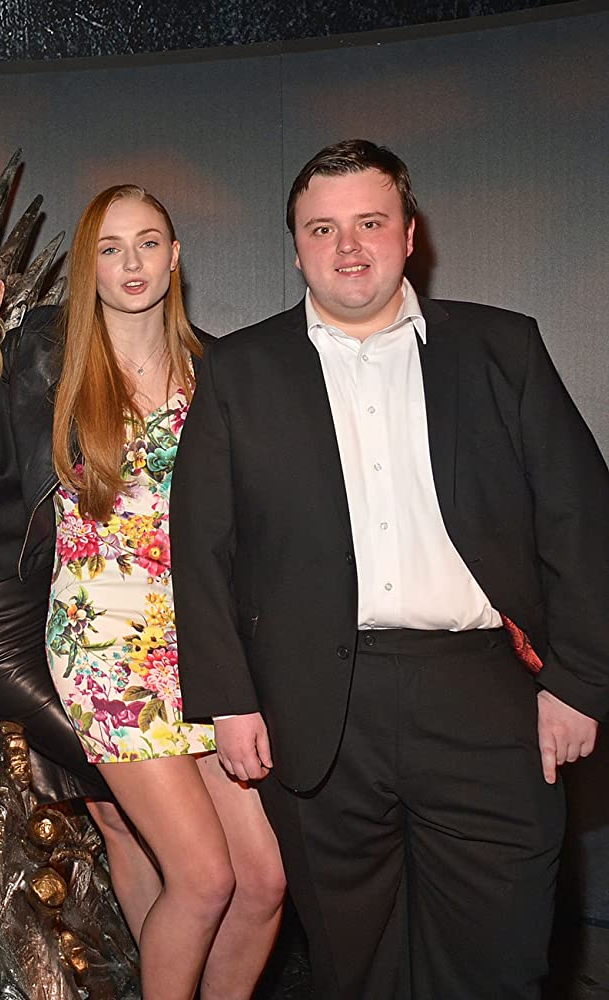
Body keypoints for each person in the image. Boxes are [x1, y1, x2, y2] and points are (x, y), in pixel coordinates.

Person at [172, 139, 609, 999]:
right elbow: (202, 546)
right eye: (322, 228)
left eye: (369, 223)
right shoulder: (239, 370)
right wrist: (229, 701)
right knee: (356, 970)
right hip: (315, 715)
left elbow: (581, 522)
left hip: (486, 699)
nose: (347, 246)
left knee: (497, 964)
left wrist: (580, 684)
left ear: (409, 234)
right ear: (296, 247)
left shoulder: (503, 347)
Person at [0, 195, 285, 1000]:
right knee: (199, 874)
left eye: (149, 243)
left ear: (175, 255)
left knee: (260, 881)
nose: (130, 264)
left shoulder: (211, 371)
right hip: (93, 639)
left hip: (197, 638)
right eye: (110, 248)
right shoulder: (51, 356)